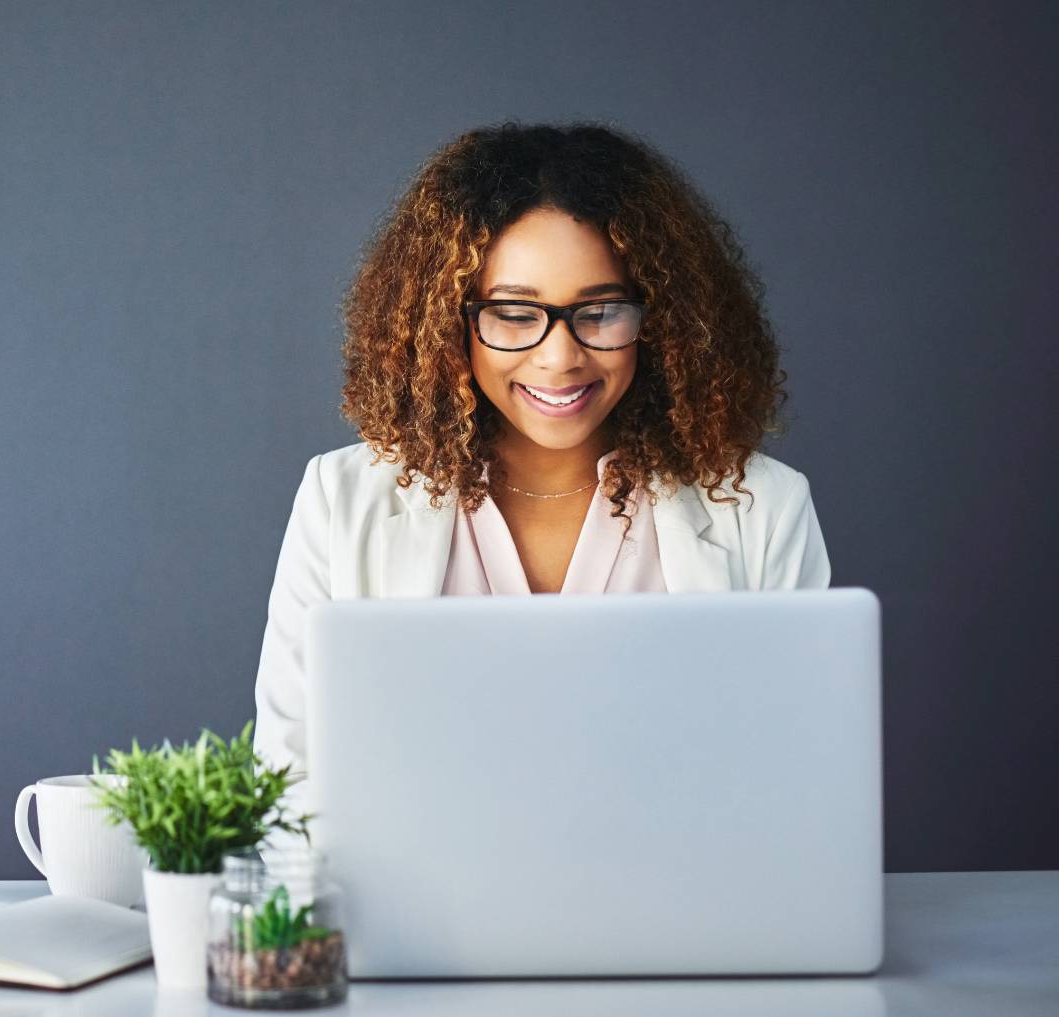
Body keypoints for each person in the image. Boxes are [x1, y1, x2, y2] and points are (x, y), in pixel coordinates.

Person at [252, 121, 832, 840]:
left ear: (662, 320)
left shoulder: (765, 509)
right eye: (514, 313)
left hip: (680, 926)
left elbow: (801, 792)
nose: (560, 357)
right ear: (448, 322)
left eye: (600, 312)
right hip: (415, 930)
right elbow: (289, 792)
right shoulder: (340, 503)